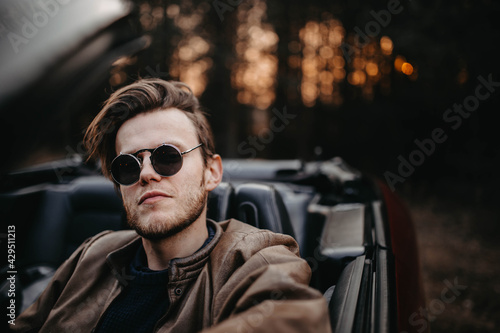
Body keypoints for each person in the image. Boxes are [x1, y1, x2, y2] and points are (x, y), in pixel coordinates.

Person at [12, 78, 331, 332]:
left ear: (212, 172)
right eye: (128, 165)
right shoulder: (92, 254)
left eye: (168, 156)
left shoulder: (256, 256)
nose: (147, 174)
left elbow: (294, 317)